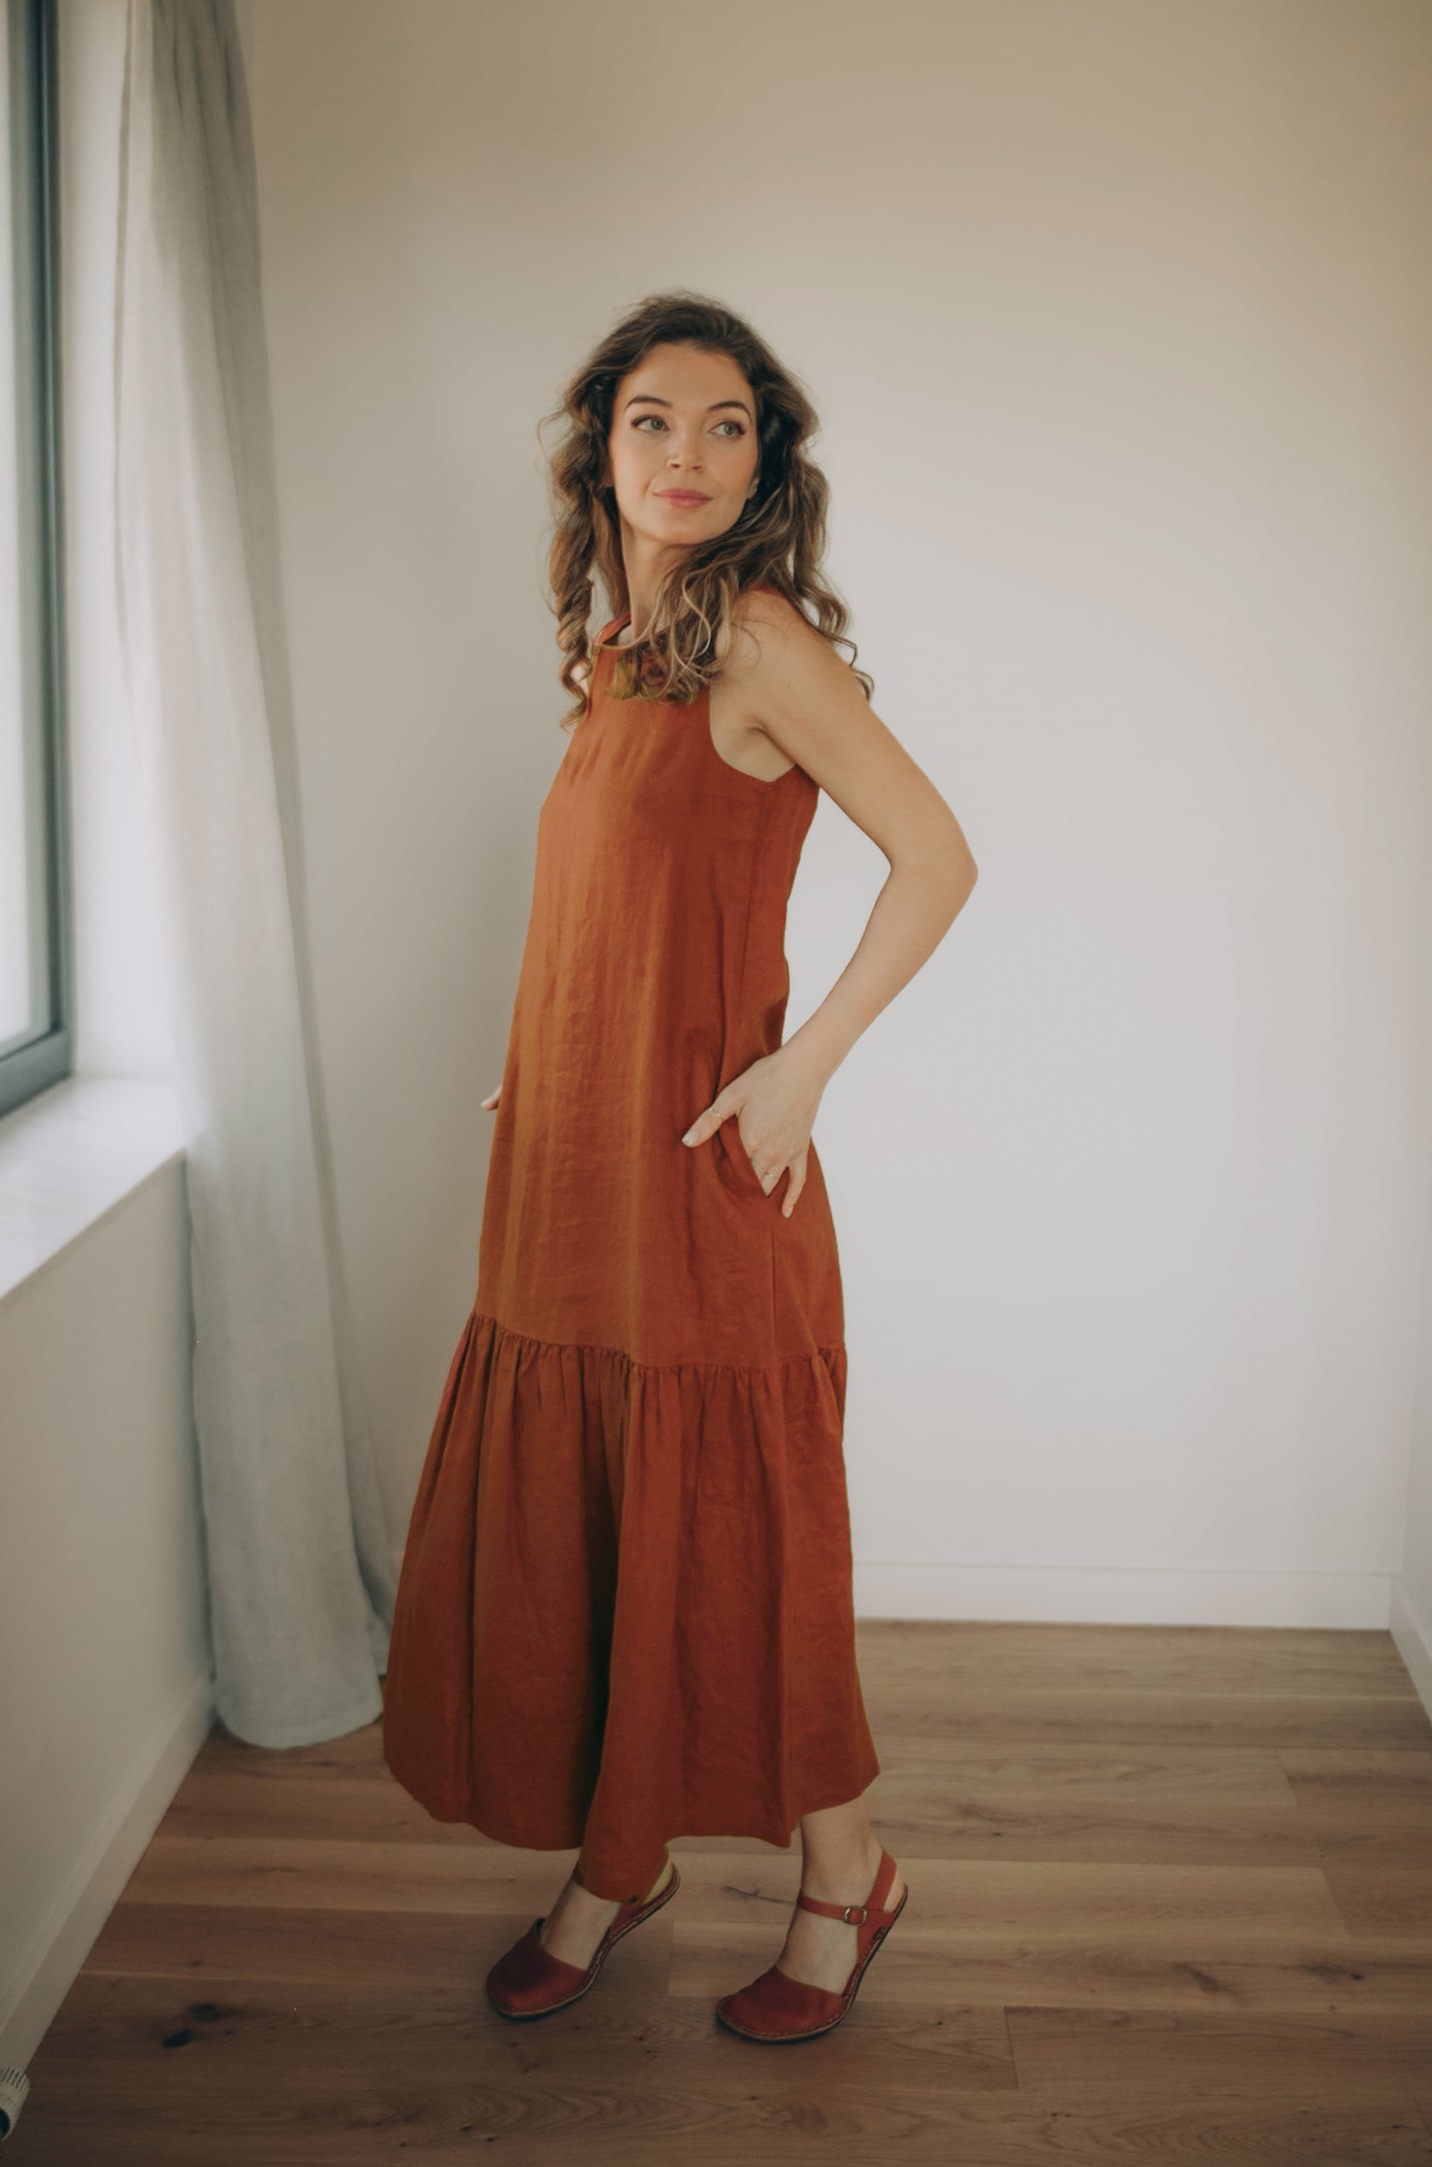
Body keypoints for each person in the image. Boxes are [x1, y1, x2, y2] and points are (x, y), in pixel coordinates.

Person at [380, 291, 978, 2041]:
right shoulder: (613, 655)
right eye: (656, 420)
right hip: (574, 1167)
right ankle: (617, 1856)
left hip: (710, 1179)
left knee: (739, 1532)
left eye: (730, 427)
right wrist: (543, 1077)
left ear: (765, 462)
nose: (691, 457)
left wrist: (806, 1061)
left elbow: (937, 860)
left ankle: (844, 1874)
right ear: (602, 448)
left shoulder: (761, 647)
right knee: (605, 1525)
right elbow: (603, 917)